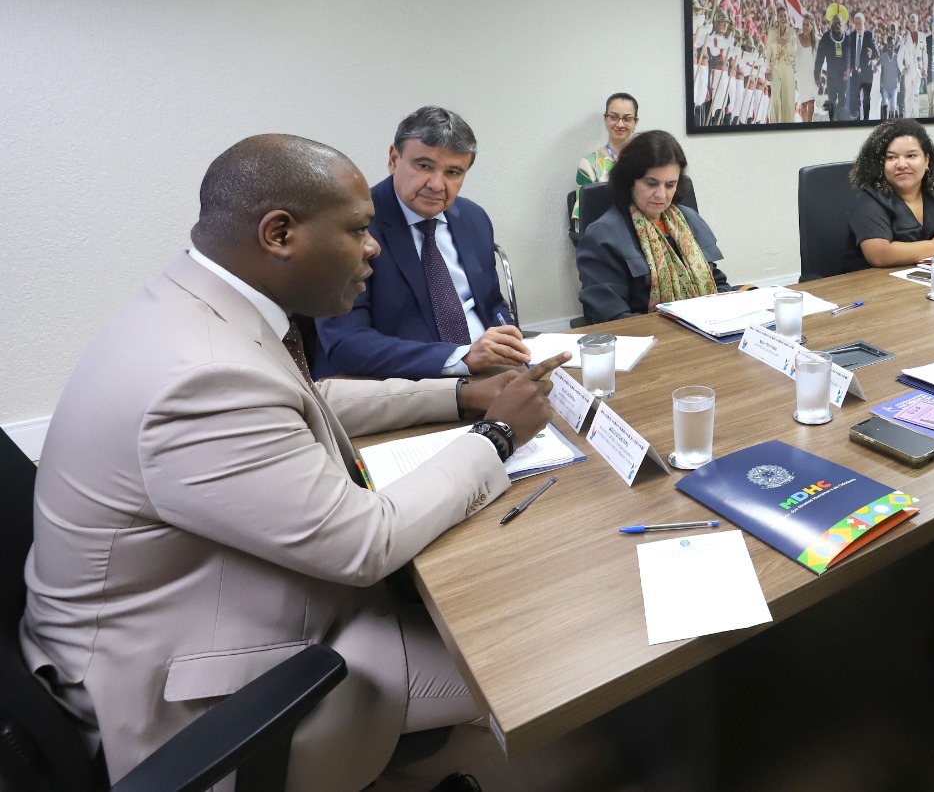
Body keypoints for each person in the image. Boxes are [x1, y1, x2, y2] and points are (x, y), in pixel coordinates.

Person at [21, 134, 568, 792]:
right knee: (529, 654)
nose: (374, 248)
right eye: (361, 230)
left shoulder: (201, 301)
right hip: (184, 687)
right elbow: (366, 542)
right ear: (279, 233)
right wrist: (499, 433)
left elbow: (311, 400)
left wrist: (460, 394)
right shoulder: (200, 377)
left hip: (194, 601)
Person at [315, 107, 525, 380]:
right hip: (400, 385)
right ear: (393, 159)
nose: (437, 185)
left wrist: (506, 335)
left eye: (453, 172)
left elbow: (491, 303)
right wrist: (460, 358)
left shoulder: (473, 218)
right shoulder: (350, 226)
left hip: (490, 372)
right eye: (424, 166)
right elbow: (346, 343)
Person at [576, 130, 731, 324]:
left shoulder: (689, 220)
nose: (661, 195)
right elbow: (613, 318)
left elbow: (717, 283)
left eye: (670, 185)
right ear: (629, 181)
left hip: (708, 331)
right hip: (648, 341)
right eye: (651, 183)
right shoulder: (602, 235)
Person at [845, 119, 934, 272]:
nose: (901, 164)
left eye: (911, 156)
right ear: (881, 164)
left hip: (925, 280)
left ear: (927, 160)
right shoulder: (870, 198)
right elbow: (879, 254)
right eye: (891, 157)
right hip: (871, 286)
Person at [574, 93, 640, 223]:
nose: (620, 124)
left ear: (635, 122)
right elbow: (583, 218)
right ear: (605, 119)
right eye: (614, 117)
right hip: (605, 235)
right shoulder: (589, 164)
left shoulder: (648, 160)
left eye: (627, 119)